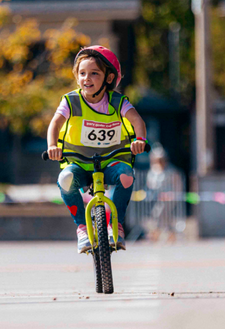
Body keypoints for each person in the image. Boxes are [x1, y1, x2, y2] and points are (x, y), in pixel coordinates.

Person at [47, 45, 147, 253]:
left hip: (110, 163)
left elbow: (137, 120)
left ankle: (116, 224)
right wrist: (52, 146)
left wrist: (140, 140)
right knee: (65, 179)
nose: (87, 78)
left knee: (127, 176)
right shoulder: (71, 101)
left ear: (108, 79)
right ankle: (82, 227)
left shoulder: (118, 102)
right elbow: (55, 123)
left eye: (94, 73)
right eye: (82, 73)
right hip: (79, 164)